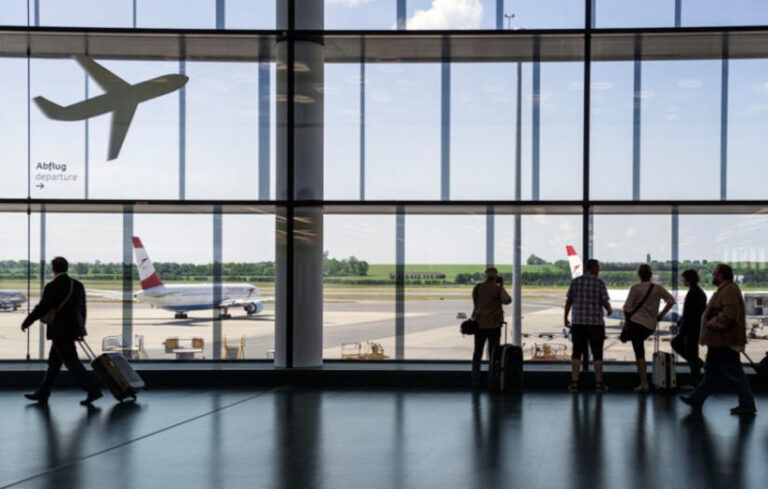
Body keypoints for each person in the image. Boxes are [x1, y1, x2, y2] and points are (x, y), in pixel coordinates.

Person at [21, 257, 102, 406]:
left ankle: (93, 389)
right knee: (54, 363)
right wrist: (80, 328)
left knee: (72, 362)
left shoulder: (53, 286)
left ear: (53, 268)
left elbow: (42, 307)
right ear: (66, 267)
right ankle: (43, 393)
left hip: (59, 331)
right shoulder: (77, 285)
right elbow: (82, 309)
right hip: (73, 329)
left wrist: (28, 321)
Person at [680, 264, 756, 416]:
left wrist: (711, 323)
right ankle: (697, 398)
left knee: (734, 373)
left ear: (721, 275)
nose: (713, 276)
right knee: (711, 374)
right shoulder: (725, 290)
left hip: (724, 341)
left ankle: (747, 404)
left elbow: (729, 315)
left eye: (715, 274)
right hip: (719, 341)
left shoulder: (729, 290)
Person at [622, 264, 675, 392]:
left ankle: (644, 383)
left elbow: (627, 308)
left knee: (639, 354)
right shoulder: (657, 288)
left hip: (636, 324)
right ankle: (645, 382)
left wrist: (627, 322)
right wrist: (660, 315)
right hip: (650, 326)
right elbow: (671, 301)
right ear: (650, 275)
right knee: (640, 351)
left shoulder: (635, 288)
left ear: (639, 275)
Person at [564, 259, 612, 392]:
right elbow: (604, 301)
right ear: (592, 268)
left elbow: (569, 301)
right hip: (596, 324)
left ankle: (574, 383)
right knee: (597, 354)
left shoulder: (575, 282)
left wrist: (565, 317)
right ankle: (599, 384)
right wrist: (609, 309)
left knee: (576, 353)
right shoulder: (599, 282)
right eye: (597, 267)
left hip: (578, 323)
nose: (599, 270)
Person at [471, 267, 512, 387]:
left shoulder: (477, 288)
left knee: (477, 353)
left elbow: (476, 303)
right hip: (494, 326)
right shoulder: (497, 288)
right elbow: (507, 301)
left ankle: (475, 380)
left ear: (485, 275)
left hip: (479, 325)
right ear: (496, 276)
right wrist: (501, 286)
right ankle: (492, 379)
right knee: (493, 354)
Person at [671, 269, 707, 387]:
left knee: (682, 347)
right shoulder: (697, 292)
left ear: (688, 279)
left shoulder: (693, 293)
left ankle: (696, 377)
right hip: (694, 328)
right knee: (691, 352)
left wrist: (682, 330)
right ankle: (696, 371)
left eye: (683, 279)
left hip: (691, 329)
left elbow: (689, 315)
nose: (682, 281)